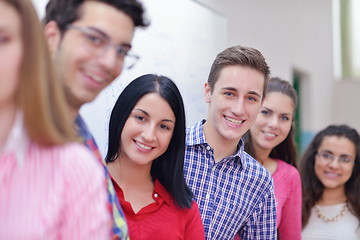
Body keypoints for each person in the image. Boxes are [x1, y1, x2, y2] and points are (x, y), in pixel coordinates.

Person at [0, 0, 110, 238]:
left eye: (2, 39)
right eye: (95, 39)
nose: (108, 62)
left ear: (29, 51)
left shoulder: (73, 169)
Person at [43, 0, 148, 239]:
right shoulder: (12, 128)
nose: (110, 62)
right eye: (94, 39)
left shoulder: (80, 137)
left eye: (121, 51)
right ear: (52, 37)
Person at [183, 45, 277, 239]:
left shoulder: (259, 182)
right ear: (208, 92)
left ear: (261, 103)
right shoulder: (169, 148)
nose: (239, 109)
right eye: (229, 94)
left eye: (251, 98)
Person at [105, 74, 205, 240]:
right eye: (140, 118)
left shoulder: (186, 211)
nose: (149, 135)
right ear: (120, 116)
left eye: (164, 126)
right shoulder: (83, 185)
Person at [242, 77, 302, 239]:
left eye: (284, 118)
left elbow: (291, 236)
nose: (274, 124)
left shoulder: (289, 176)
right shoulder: (226, 161)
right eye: (266, 113)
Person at [301, 124, 360, 239]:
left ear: (355, 165)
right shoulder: (295, 204)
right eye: (327, 155)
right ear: (314, 157)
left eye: (344, 159)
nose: (334, 165)